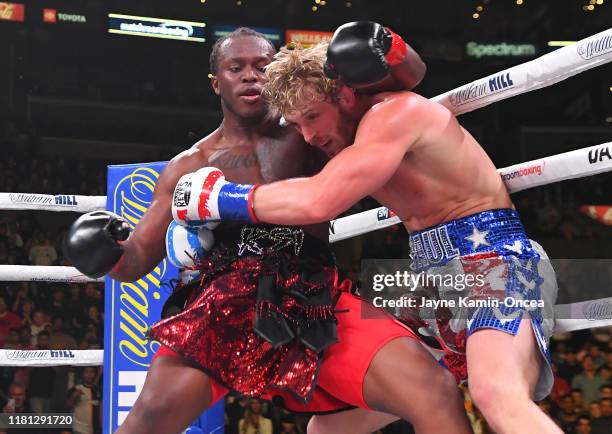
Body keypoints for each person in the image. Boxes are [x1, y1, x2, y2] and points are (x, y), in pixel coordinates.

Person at [64, 25, 471, 434]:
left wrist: (388, 47)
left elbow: (406, 79)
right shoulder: (190, 165)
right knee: (148, 421)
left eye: (261, 66)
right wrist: (101, 248)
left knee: (434, 389)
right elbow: (135, 259)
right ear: (216, 83)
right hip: (225, 302)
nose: (249, 75)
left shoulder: (310, 126)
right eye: (235, 67)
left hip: (315, 296)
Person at [187, 39, 561, 433]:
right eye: (297, 125)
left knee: (496, 394)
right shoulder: (352, 139)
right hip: (432, 283)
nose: (308, 136)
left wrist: (218, 198)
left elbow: (319, 201)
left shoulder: (395, 115)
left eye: (312, 117)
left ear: (345, 94)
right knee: (328, 429)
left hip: (495, 265)